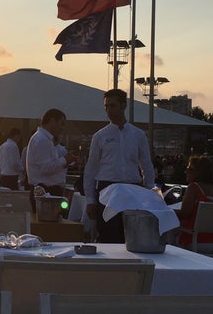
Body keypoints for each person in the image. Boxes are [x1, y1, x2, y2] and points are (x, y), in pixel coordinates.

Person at [84, 88, 155, 243]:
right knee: (108, 236)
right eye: (106, 106)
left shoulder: (138, 135)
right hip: (107, 189)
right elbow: (90, 170)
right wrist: (90, 200)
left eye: (112, 106)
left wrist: (150, 193)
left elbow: (147, 165)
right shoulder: (100, 136)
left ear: (123, 106)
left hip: (132, 189)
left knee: (132, 236)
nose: (108, 110)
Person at [174, 155, 213, 248]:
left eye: (189, 169)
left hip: (198, 242)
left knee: (168, 234)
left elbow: (185, 214)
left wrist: (166, 211)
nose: (186, 172)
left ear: (197, 172)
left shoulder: (193, 187)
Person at [26, 108, 78, 208]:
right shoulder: (42, 140)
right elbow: (46, 168)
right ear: (52, 121)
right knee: (49, 218)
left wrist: (66, 163)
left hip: (46, 190)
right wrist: (65, 159)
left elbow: (48, 165)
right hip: (47, 192)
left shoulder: (43, 138)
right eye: (61, 124)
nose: (62, 128)